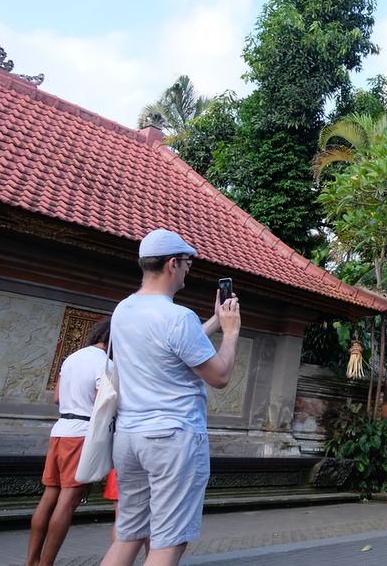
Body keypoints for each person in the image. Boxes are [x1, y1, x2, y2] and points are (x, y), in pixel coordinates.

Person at [100, 229, 241, 566]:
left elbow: (168, 345)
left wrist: (214, 322)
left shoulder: (124, 309)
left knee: (128, 534)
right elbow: (219, 376)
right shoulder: (178, 317)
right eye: (187, 263)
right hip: (171, 439)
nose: (189, 269)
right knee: (167, 542)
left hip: (130, 438)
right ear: (172, 264)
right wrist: (232, 332)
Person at [26, 317, 111, 566]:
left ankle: (31, 561)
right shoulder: (105, 364)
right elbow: (103, 400)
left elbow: (57, 397)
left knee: (49, 495)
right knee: (68, 502)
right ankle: (47, 563)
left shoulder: (73, 357)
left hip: (60, 429)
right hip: (82, 433)